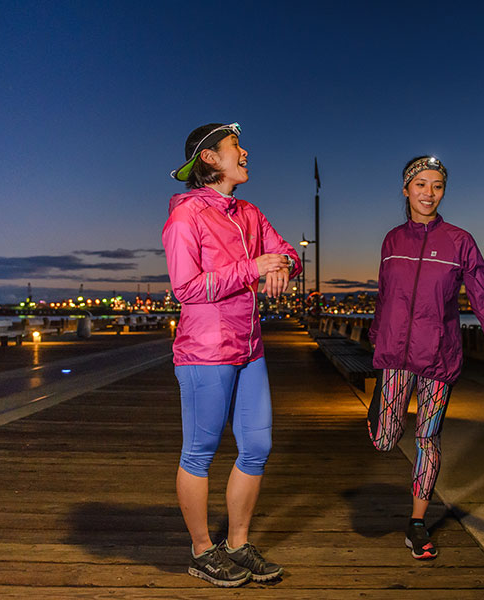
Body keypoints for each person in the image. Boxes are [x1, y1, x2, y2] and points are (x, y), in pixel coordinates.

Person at [162, 122, 301, 586]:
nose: (245, 152)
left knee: (257, 446)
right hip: (204, 351)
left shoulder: (249, 213)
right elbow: (186, 288)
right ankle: (202, 550)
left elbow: (285, 253)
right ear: (209, 159)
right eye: (235, 147)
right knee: (199, 452)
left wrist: (281, 264)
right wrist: (253, 268)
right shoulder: (185, 217)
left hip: (250, 347)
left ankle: (238, 545)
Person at [367, 155, 484, 560]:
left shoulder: (459, 241)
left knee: (427, 438)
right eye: (420, 185)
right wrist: (375, 341)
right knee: (385, 440)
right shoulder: (392, 241)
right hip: (396, 357)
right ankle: (380, 414)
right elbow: (384, 298)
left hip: (439, 356)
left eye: (437, 186)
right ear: (406, 190)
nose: (428, 193)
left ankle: (417, 524)